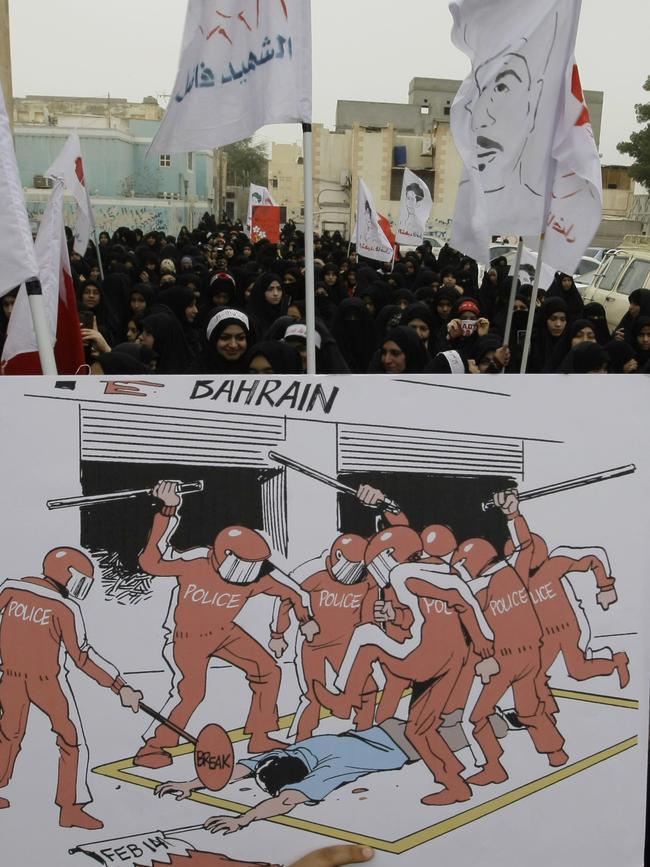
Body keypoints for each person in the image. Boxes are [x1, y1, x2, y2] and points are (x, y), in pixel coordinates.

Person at [134, 481, 320, 767]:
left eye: (255, 566)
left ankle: (260, 735)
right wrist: (168, 510)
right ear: (223, 555)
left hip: (224, 633)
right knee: (192, 692)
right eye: (242, 565)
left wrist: (304, 621)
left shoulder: (258, 577)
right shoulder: (195, 563)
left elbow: (295, 592)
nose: (248, 574)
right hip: (187, 638)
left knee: (267, 670)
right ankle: (153, 747)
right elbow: (151, 562)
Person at [0, 547, 142, 829]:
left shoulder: (10, 589)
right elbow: (83, 657)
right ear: (68, 576)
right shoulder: (65, 608)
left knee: (8, 735)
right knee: (71, 741)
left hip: (9, 678)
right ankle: (71, 808)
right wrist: (119, 686)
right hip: (47, 683)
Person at [154, 717, 421, 832]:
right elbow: (241, 769)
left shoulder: (328, 770)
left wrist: (243, 820)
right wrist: (190, 783)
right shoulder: (293, 753)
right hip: (388, 728)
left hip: (412, 745)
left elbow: (286, 801)